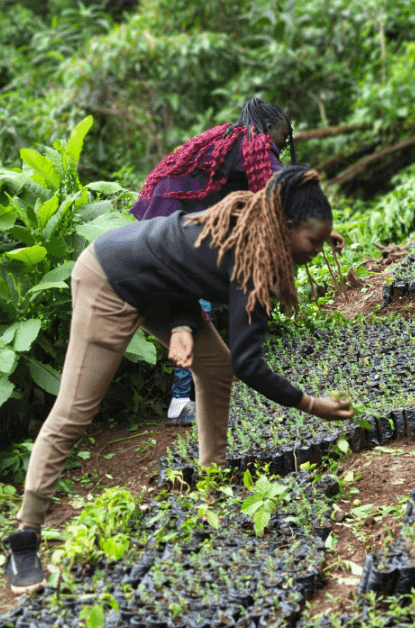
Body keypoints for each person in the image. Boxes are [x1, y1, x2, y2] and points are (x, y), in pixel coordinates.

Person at [4, 166, 353, 595]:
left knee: (215, 369)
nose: (317, 251)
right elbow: (250, 363)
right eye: (312, 241)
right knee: (75, 411)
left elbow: (184, 267)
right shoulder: (253, 262)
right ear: (282, 226)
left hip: (154, 283)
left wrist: (184, 324)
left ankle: (212, 483)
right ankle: (24, 539)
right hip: (109, 277)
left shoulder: (254, 229)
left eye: (323, 240)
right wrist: (311, 405)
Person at [130, 98, 345, 426]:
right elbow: (282, 191)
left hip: (164, 219)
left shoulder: (231, 140)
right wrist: (323, 231)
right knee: (197, 307)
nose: (285, 143)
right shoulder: (255, 145)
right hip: (174, 227)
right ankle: (180, 400)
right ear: (270, 127)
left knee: (201, 307)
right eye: (285, 135)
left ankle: (210, 382)